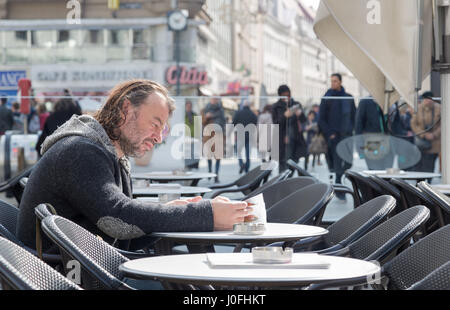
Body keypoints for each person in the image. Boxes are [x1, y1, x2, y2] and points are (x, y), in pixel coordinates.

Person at [17, 79, 250, 255]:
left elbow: (125, 233)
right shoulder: (81, 151)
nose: (159, 137)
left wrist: (171, 210)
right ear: (125, 110)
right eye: (155, 124)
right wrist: (206, 214)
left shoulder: (107, 152)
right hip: (61, 277)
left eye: (163, 129)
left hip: (87, 268)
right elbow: (117, 219)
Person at [318, 73, 356, 198]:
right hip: (334, 136)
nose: (333, 83)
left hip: (347, 135)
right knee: (338, 163)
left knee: (349, 162)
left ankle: (339, 178)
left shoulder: (348, 98)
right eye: (331, 81)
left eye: (335, 81)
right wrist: (330, 134)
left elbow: (353, 116)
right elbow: (321, 119)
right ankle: (339, 189)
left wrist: (352, 130)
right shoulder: (327, 98)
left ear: (340, 82)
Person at [354, 97, 393, 170]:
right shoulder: (365, 102)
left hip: (387, 141)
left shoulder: (388, 101)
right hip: (371, 140)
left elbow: (394, 124)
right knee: (374, 171)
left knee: (387, 171)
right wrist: (360, 148)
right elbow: (358, 125)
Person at [271, 85, 302, 173]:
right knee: (283, 162)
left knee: (294, 162)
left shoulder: (296, 104)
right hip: (282, 139)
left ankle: (289, 180)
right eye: (285, 96)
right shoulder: (276, 107)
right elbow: (276, 122)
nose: (287, 98)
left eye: (288, 95)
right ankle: (282, 183)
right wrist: (285, 116)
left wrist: (300, 114)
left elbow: (303, 120)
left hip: (295, 138)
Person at [411, 91, 441, 172]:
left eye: (430, 99)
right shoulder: (418, 108)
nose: (429, 101)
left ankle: (429, 182)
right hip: (421, 141)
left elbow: (443, 124)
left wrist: (434, 134)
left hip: (435, 141)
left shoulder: (439, 108)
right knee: (419, 163)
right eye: (426, 99)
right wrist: (423, 134)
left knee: (430, 164)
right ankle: (419, 181)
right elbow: (413, 124)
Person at [202, 97, 226, 183]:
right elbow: (202, 122)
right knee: (208, 155)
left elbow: (223, 122)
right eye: (213, 99)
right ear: (210, 100)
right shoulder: (205, 109)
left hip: (218, 135)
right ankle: (209, 171)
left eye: (216, 99)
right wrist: (207, 117)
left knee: (218, 157)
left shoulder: (221, 110)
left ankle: (216, 175)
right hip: (208, 136)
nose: (214, 101)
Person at [232, 100, 258, 174]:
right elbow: (255, 124)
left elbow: (233, 123)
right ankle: (246, 169)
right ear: (249, 106)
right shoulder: (252, 114)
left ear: (243, 105)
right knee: (248, 154)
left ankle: (241, 164)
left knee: (238, 152)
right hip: (249, 136)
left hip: (240, 135)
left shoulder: (238, 113)